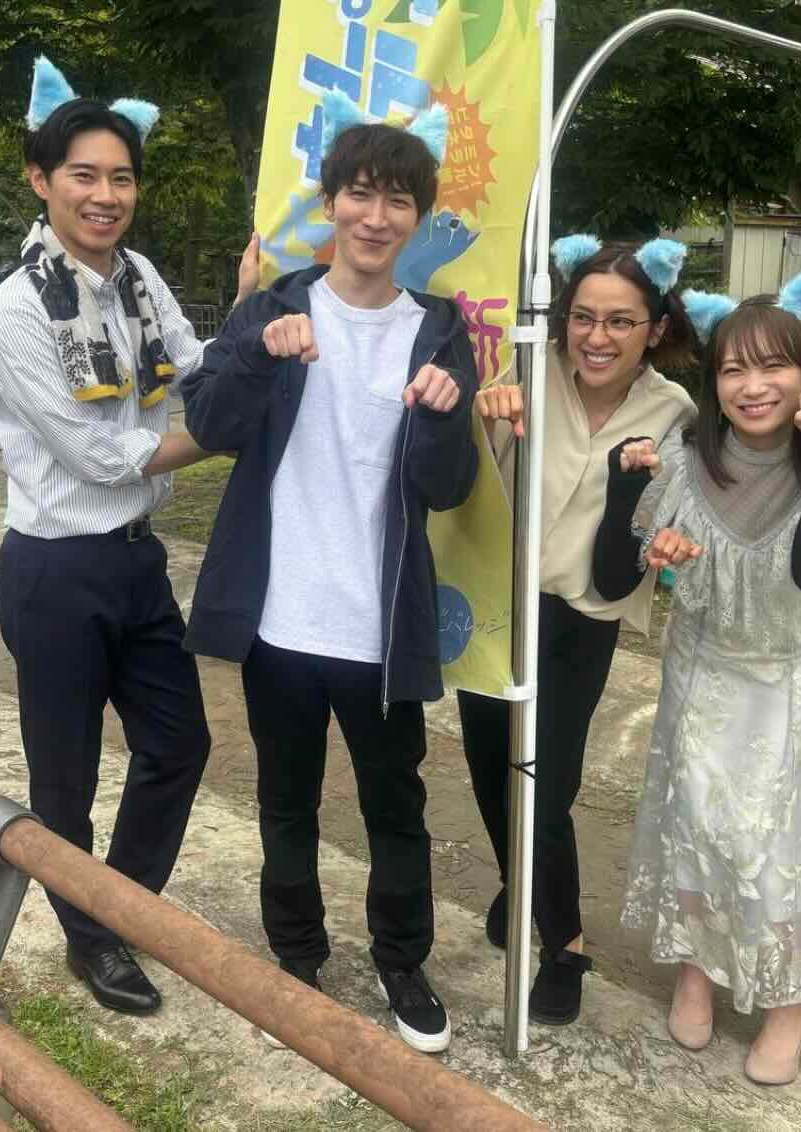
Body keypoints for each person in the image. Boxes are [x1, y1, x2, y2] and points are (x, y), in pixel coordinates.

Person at [179, 92, 478, 1053]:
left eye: (398, 200)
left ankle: (403, 964)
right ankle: (297, 959)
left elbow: (449, 486)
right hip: (281, 620)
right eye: (360, 194)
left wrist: (447, 413)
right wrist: (257, 357)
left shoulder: (440, 330)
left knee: (398, 809)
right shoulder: (276, 307)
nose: (376, 218)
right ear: (332, 203)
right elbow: (210, 423)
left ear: (417, 218)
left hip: (380, 626)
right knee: (286, 801)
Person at [0, 57, 256, 1015]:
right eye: (84, 175)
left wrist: (250, 307)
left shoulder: (135, 278)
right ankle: (92, 942)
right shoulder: (15, 310)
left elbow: (192, 364)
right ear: (40, 179)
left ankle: (120, 909)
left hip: (137, 562)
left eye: (122, 177)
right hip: (54, 571)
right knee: (64, 775)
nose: (105, 195)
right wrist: (219, 433)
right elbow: (102, 457)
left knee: (179, 744)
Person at [599, 265, 801, 1084]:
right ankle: (698, 968)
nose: (752, 386)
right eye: (734, 368)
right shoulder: (684, 456)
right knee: (698, 818)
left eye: (773, 366)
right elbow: (636, 561)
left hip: (792, 674)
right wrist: (661, 555)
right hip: (702, 665)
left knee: (780, 835)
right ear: (714, 381)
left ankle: (790, 1000)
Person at [463, 234, 697, 1025]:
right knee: (489, 764)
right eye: (585, 317)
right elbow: (466, 476)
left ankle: (563, 944)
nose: (598, 337)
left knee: (545, 783)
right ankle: (520, 880)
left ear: (655, 329)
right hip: (496, 602)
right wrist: (484, 412)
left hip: (581, 618)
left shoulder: (674, 414)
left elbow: (665, 527)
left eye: (621, 321)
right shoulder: (524, 370)